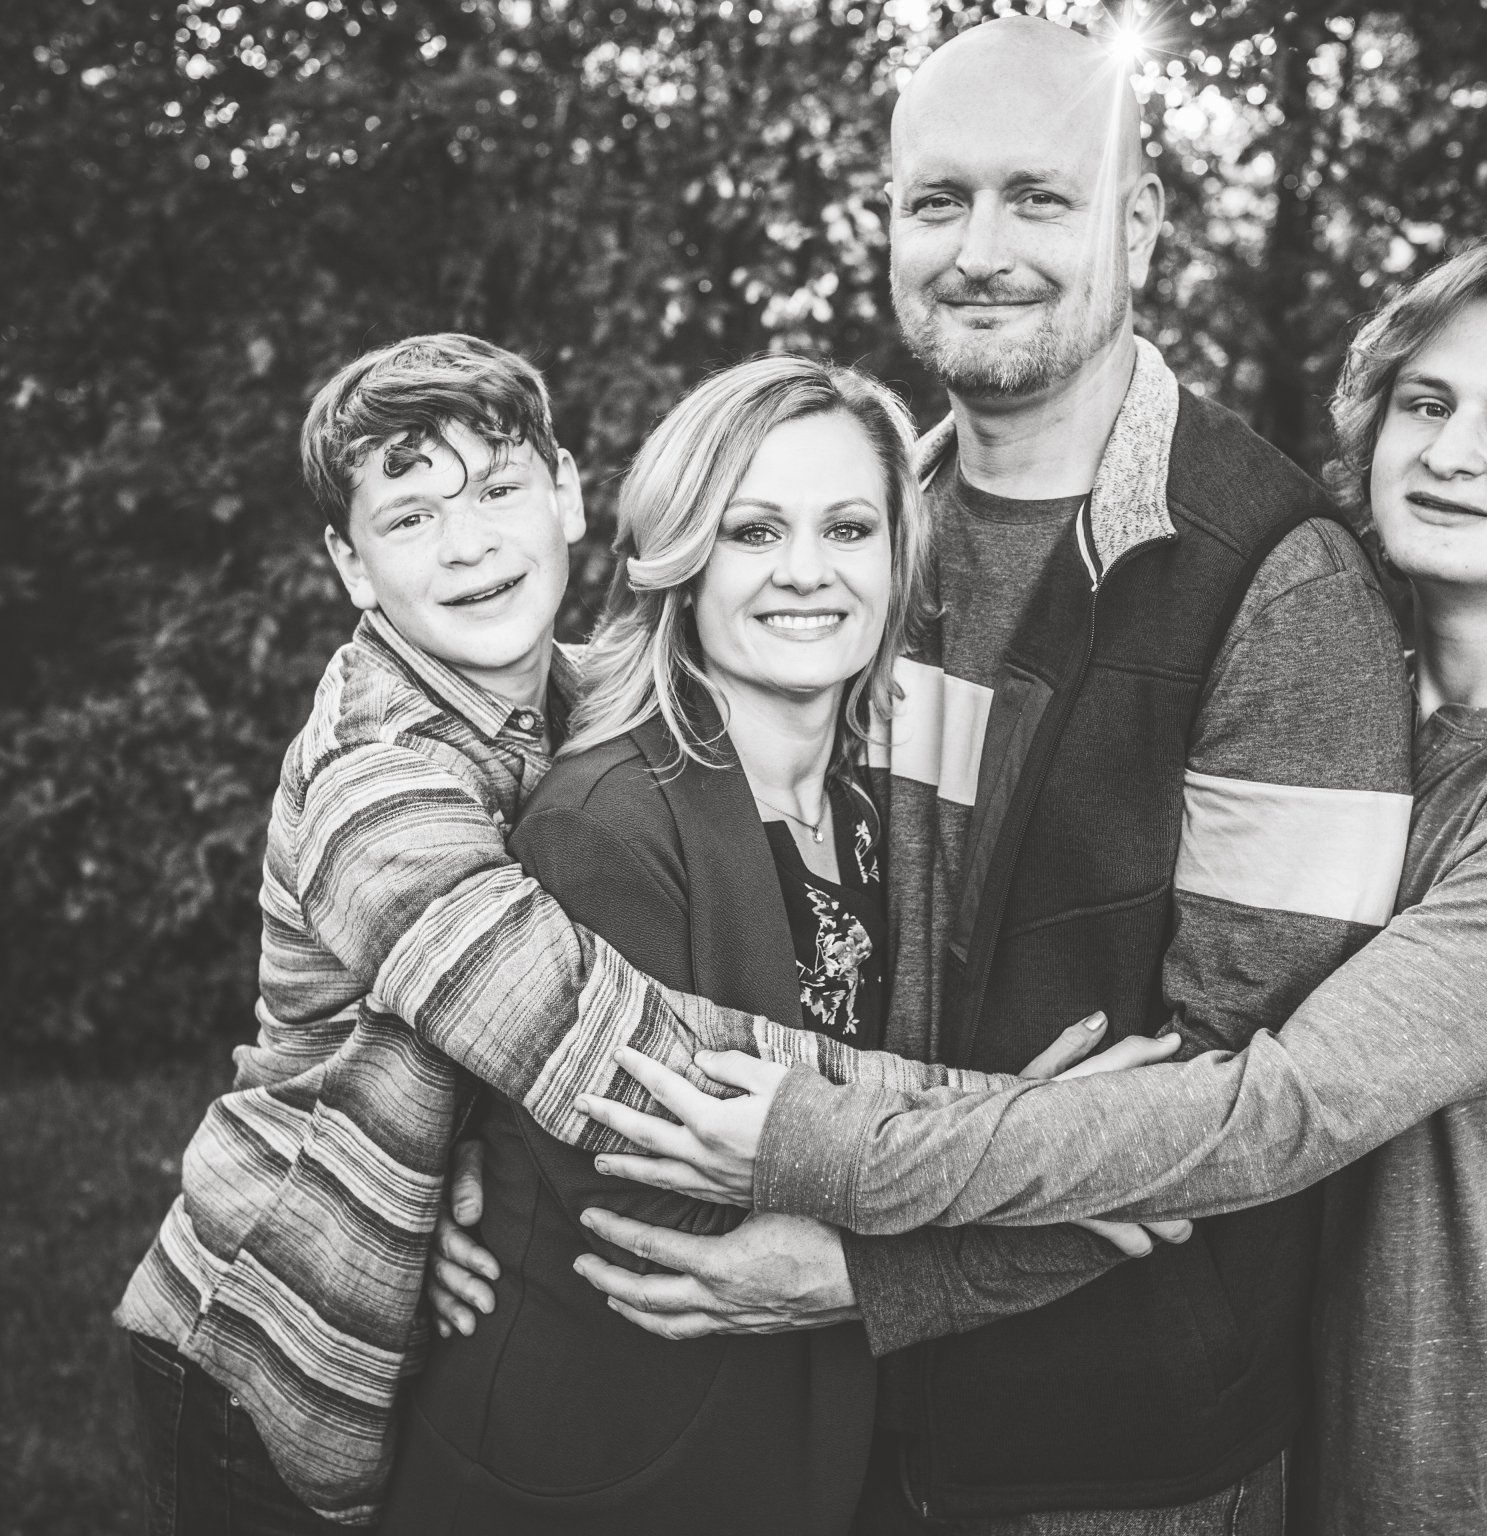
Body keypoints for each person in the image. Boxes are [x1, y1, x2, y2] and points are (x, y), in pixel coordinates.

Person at [571, 230, 1487, 1536]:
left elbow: (1268, 1112)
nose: (1451, 451)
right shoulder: (1333, 695)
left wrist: (828, 1156)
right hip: (1293, 1444)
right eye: (1427, 402)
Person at [431, 15, 1409, 1533]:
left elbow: (1245, 1105)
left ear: (1139, 220)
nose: (981, 248)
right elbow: (543, 810)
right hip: (842, 1431)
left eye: (1040, 196)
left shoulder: (1278, 583)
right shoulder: (874, 526)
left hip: (1113, 1446)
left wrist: (876, 1274)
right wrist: (441, 1148)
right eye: (939, 200)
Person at [114, 335, 1054, 1533]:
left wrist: (462, 1154)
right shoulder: (377, 788)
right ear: (350, 566)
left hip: (440, 1290)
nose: (468, 545)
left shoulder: (571, 696)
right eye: (410, 518)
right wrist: (1035, 1130)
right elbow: (615, 1056)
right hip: (272, 1323)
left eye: (498, 490)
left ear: (565, 495)